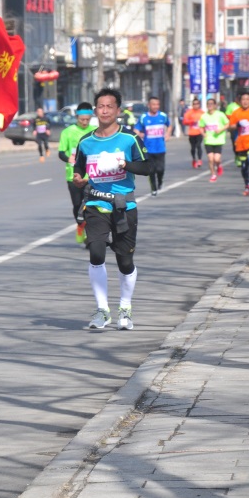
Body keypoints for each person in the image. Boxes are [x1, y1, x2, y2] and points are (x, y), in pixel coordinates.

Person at [73, 88, 152, 331]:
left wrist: (124, 164)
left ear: (118, 110)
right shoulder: (86, 141)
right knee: (96, 252)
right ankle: (102, 310)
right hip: (96, 203)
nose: (105, 110)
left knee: (124, 261)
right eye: (101, 106)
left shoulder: (129, 139)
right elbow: (79, 168)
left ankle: (125, 308)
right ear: (95, 110)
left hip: (124, 205)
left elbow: (147, 167)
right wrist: (78, 178)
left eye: (110, 106)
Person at [57, 102, 96, 245]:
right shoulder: (68, 132)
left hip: (92, 175)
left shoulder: (95, 131)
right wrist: (69, 158)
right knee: (77, 205)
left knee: (91, 206)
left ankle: (91, 235)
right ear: (76, 117)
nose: (85, 122)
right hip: (73, 176)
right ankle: (81, 226)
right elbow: (61, 152)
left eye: (87, 119)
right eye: (82, 119)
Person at [133, 95, 171, 196]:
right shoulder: (143, 117)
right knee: (151, 170)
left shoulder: (163, 116)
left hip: (160, 148)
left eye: (157, 104)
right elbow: (136, 129)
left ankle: (160, 181)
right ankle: (153, 188)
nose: (156, 106)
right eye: (154, 104)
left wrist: (168, 134)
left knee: (160, 169)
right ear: (149, 105)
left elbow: (169, 125)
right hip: (148, 149)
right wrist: (139, 134)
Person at [199, 98, 229, 182]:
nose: (210, 105)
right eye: (208, 104)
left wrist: (221, 130)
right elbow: (201, 127)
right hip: (208, 140)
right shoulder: (204, 116)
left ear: (215, 105)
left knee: (216, 159)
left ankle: (219, 165)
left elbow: (227, 124)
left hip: (218, 140)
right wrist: (203, 134)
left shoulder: (220, 115)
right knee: (210, 159)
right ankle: (213, 174)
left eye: (211, 104)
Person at [182, 98, 204, 168]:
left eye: (197, 104)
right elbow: (184, 121)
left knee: (198, 145)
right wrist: (192, 121)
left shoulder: (202, 113)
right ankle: (194, 159)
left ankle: (199, 160)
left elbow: (206, 121)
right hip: (192, 133)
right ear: (192, 105)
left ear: (199, 104)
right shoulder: (189, 112)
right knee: (193, 148)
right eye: (194, 104)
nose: (196, 105)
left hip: (199, 132)